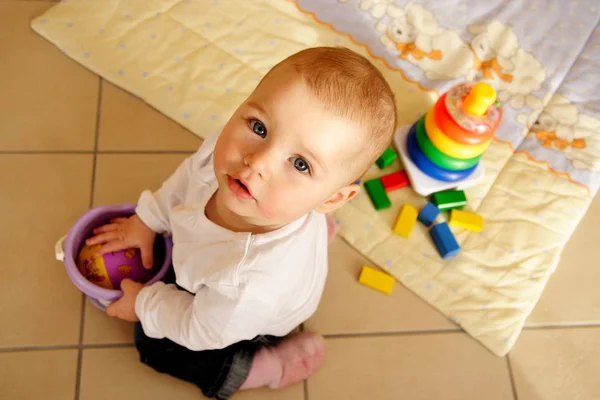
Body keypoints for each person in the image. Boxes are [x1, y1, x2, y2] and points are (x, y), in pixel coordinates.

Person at [86, 46, 397, 399]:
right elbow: (189, 176)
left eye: (299, 164)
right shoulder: (228, 158)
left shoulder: (248, 282)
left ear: (331, 200)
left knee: (155, 345)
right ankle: (309, 229)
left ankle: (266, 366)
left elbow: (203, 330)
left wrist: (144, 304)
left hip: (247, 320)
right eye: (259, 127)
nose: (257, 160)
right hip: (241, 260)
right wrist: (149, 218)